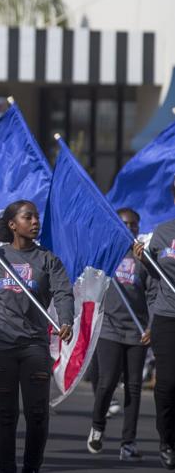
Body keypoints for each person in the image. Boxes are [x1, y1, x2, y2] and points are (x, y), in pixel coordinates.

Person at [0, 200, 74, 473]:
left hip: (34, 345)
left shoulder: (48, 259)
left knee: (37, 414)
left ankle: (31, 467)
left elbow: (63, 293)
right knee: (6, 415)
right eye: (28, 217)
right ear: (12, 224)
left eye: (36, 217)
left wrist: (66, 320)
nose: (35, 222)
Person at [87, 208, 154, 461]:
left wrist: (151, 326)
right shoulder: (106, 254)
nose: (130, 228)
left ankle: (129, 442)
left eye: (134, 225)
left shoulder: (145, 258)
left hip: (137, 330)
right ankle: (97, 426)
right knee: (107, 382)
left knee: (134, 387)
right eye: (125, 223)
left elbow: (153, 294)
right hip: (110, 328)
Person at [136, 177, 175, 470]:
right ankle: (167, 439)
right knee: (168, 383)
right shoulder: (163, 232)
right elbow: (155, 273)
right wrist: (144, 260)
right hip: (167, 317)